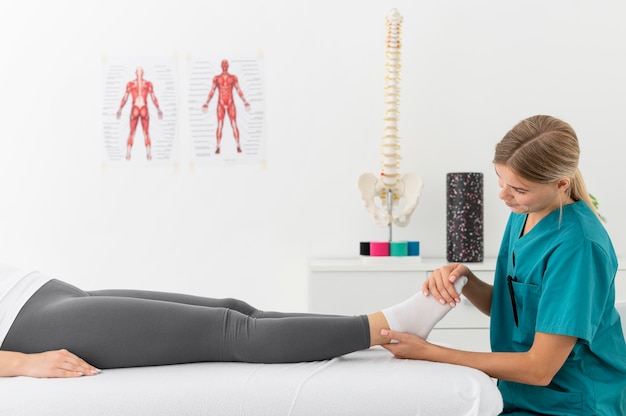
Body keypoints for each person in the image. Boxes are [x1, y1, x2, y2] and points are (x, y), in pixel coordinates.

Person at [381, 115, 626, 415]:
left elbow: (540, 369)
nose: (503, 195)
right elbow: (514, 307)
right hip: (516, 396)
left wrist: (430, 354)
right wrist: (467, 281)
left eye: (518, 189)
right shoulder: (525, 212)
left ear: (561, 184)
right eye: (501, 181)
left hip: (570, 404)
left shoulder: (578, 246)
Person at [0, 262, 467, 378]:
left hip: (43, 295)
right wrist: (22, 365)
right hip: (32, 328)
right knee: (231, 333)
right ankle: (392, 325)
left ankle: (375, 332)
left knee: (234, 308)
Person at [201, 59, 250, 154]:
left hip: (231, 103)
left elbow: (238, 89)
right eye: (223, 64)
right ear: (221, 66)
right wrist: (207, 102)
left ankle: (238, 146)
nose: (224, 65)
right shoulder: (216, 78)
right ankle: (218, 146)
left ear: (228, 65)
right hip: (221, 104)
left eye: (225, 64)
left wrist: (245, 101)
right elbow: (212, 90)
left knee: (234, 124)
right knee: (219, 125)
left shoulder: (233, 77)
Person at [116, 66, 163, 161]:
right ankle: (149, 155)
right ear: (143, 73)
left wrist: (120, 108)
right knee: (146, 133)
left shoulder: (131, 84)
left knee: (132, 133)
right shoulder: (148, 84)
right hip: (144, 108)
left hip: (135, 108)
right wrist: (158, 108)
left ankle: (128, 155)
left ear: (135, 73)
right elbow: (153, 97)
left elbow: (125, 97)